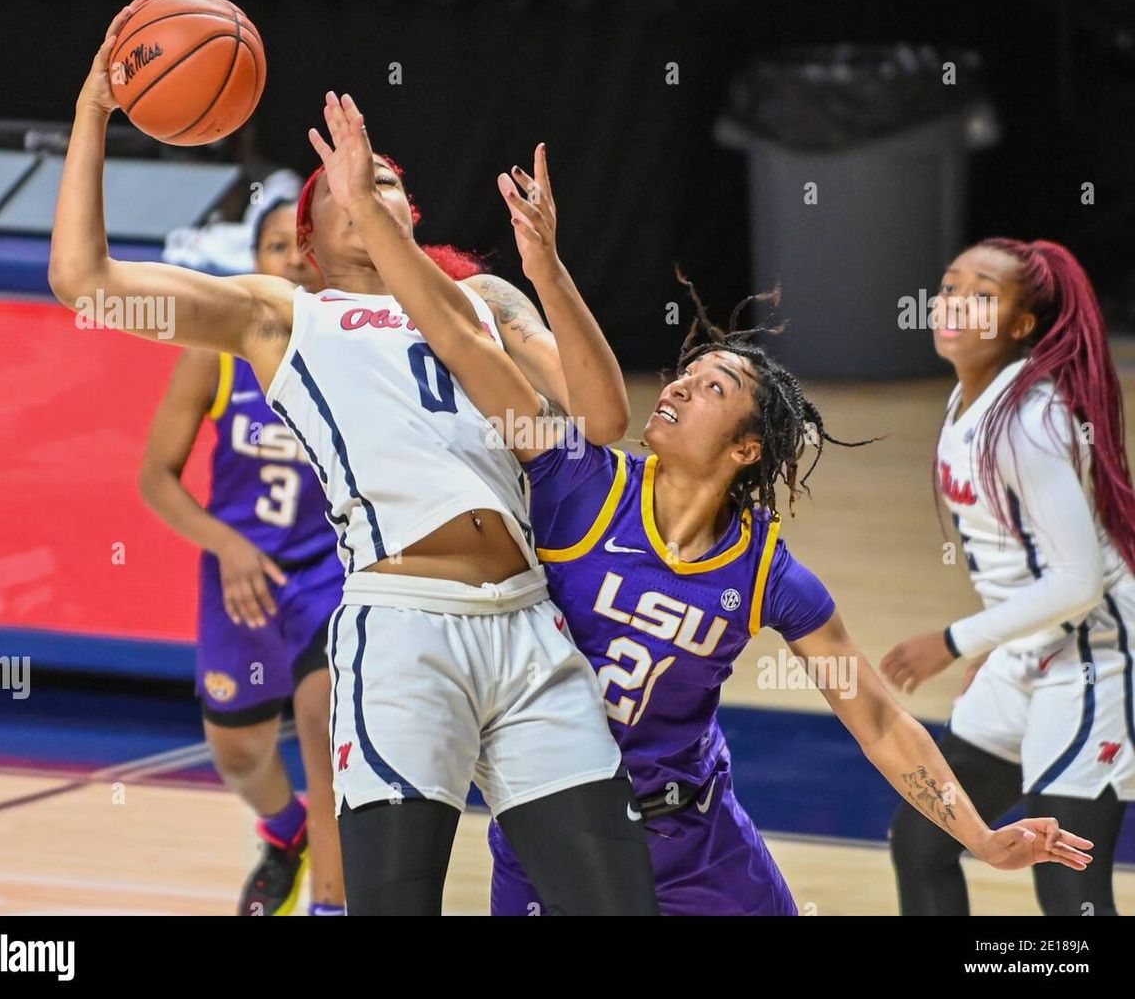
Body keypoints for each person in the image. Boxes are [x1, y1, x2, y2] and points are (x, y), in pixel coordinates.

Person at [307, 96, 1098, 915]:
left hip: (702, 850)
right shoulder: (575, 480)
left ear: (747, 449)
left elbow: (878, 720)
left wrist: (978, 834)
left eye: (712, 386)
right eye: (685, 374)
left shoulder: (766, 573)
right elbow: (467, 347)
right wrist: (492, 255)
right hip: (556, 837)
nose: (680, 384)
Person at [48, 0, 657, 916]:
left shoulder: (485, 298)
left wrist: (550, 269)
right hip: (404, 628)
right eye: (343, 184)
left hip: (530, 624)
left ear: (408, 209)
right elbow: (84, 284)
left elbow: (603, 417)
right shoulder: (283, 313)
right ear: (308, 241)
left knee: (620, 906)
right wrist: (95, 109)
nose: (367, 190)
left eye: (382, 182)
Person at [883, 238, 1134, 916]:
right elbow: (1023, 559)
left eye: (982, 294)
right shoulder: (972, 402)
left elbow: (1079, 578)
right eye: (950, 284)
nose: (955, 302)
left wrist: (957, 639)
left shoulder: (1028, 419)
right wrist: (1001, 642)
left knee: (1070, 892)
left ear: (1022, 326)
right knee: (923, 839)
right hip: (1029, 650)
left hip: (1090, 661)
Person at [140, 197, 344, 916]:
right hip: (242, 576)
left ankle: (331, 903)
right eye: (275, 246)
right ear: (253, 263)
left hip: (332, 575)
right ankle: (286, 834)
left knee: (326, 732)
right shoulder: (217, 353)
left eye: (304, 245)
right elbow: (155, 477)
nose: (292, 258)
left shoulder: (355, 342)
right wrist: (225, 545)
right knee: (237, 753)